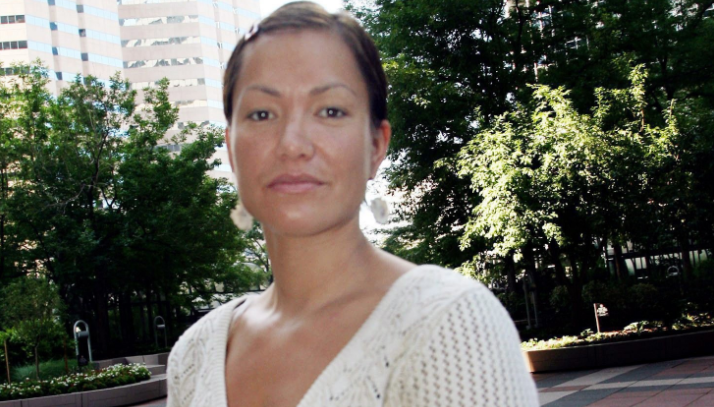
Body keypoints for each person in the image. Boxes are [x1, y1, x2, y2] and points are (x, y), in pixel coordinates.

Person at [166, 2, 538, 406]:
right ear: (231, 149)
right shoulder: (194, 355)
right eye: (261, 114)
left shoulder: (450, 323)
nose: (292, 144)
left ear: (376, 145)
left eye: (330, 111)